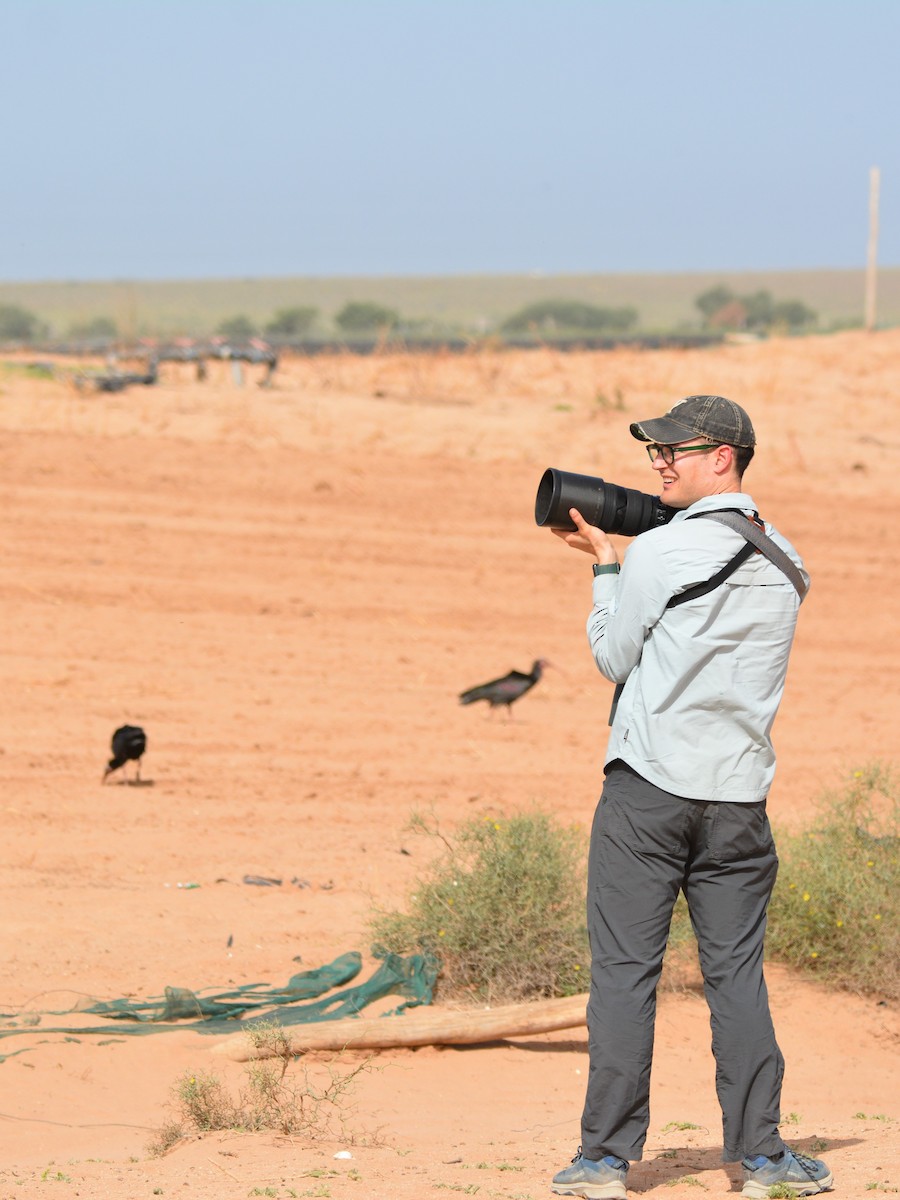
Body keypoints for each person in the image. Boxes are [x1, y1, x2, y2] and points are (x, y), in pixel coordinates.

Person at [549, 395, 833, 1199]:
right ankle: (767, 1160)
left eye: (678, 450)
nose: (660, 464)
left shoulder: (659, 555)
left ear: (726, 457)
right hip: (740, 799)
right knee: (736, 975)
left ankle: (604, 1163)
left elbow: (613, 657)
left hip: (648, 793)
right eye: (655, 452)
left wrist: (606, 566)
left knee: (625, 976)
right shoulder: (787, 557)